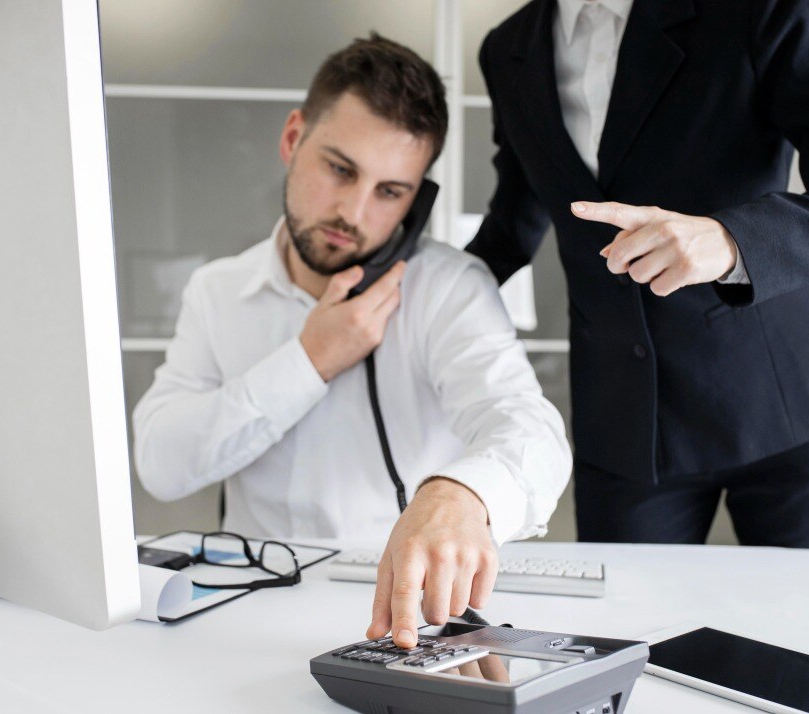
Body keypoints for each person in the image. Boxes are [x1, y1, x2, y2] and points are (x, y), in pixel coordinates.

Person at [132, 35, 571, 648]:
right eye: (340, 170)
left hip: (402, 615)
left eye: (390, 192)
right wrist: (310, 360)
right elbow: (161, 464)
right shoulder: (218, 291)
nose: (354, 213)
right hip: (242, 610)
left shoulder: (449, 290)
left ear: (417, 201)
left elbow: (533, 430)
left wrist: (463, 493)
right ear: (293, 140)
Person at [465, 0, 809, 550]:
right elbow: (516, 217)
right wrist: (413, 288)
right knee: (627, 637)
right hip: (624, 428)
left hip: (789, 411)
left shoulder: (759, 9)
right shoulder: (507, 48)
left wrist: (731, 240)